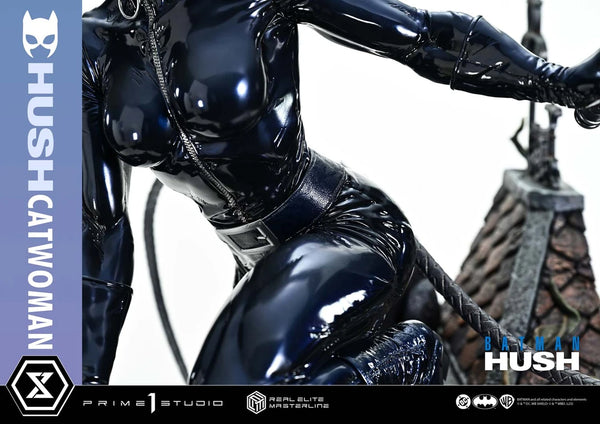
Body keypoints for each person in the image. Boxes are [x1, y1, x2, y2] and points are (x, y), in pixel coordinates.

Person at [82, 0, 599, 385]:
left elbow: (422, 36)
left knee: (233, 384)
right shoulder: (86, 46)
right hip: (260, 262)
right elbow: (98, 233)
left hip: (342, 225)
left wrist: (556, 83)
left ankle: (415, 358)